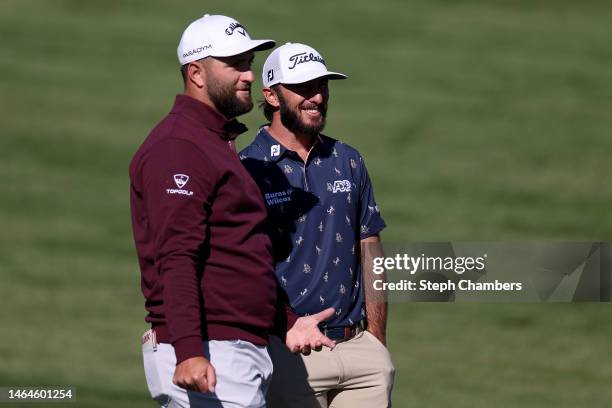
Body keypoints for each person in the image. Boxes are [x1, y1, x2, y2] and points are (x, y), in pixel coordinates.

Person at [129, 17, 332, 408]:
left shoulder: (212, 142)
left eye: (249, 63)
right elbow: (176, 256)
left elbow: (236, 249)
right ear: (196, 73)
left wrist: (286, 321)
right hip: (208, 352)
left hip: (229, 350)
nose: (249, 76)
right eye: (235, 64)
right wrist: (189, 349)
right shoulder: (179, 147)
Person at [240, 43, 395, 408]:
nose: (316, 97)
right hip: (289, 353)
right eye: (303, 88)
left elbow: (369, 246)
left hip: (360, 352)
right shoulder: (248, 169)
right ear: (271, 96)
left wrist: (376, 340)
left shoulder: (348, 160)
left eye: (322, 86)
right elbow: (242, 266)